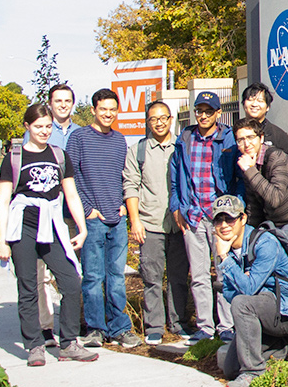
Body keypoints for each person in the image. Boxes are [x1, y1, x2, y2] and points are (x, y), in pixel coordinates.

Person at [0, 103, 97, 365]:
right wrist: (3, 240)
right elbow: (3, 200)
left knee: (72, 282)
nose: (43, 131)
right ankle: (35, 346)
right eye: (38, 126)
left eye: (48, 127)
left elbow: (71, 194)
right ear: (27, 127)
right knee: (28, 286)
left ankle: (69, 343)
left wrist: (82, 227)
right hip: (23, 228)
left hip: (52, 226)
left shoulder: (59, 156)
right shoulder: (14, 158)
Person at [210, 195, 288, 387]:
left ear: (243, 219)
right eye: (218, 219)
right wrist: (243, 278)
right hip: (261, 312)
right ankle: (283, 346)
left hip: (286, 312)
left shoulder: (264, 242)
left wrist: (226, 260)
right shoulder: (227, 247)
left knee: (243, 303)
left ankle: (254, 372)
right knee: (230, 369)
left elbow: (245, 291)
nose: (224, 225)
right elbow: (230, 292)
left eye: (229, 219)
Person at [67, 88, 140, 348]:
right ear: (94, 110)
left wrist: (123, 206)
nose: (108, 114)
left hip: (117, 219)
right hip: (92, 220)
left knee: (116, 276)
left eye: (112, 109)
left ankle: (119, 328)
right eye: (103, 109)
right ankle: (95, 329)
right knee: (93, 276)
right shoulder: (79, 138)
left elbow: (125, 175)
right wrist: (87, 210)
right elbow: (71, 177)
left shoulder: (120, 140)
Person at [169, 90, 244, 342]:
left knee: (224, 272)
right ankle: (205, 327)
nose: (202, 115)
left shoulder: (228, 138)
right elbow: (175, 174)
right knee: (199, 275)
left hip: (220, 217)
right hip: (193, 215)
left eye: (208, 111)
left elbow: (239, 177)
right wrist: (176, 206)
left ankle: (226, 326)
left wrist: (237, 207)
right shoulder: (186, 137)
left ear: (218, 113)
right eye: (199, 111)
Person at [124, 101, 192, 345]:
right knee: (152, 277)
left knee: (178, 276)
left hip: (179, 223)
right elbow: (130, 186)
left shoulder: (183, 146)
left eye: (164, 117)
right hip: (150, 224)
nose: (160, 122)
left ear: (171, 119)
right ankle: (154, 326)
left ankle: (179, 322)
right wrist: (135, 221)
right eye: (154, 118)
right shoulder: (138, 150)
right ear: (147, 122)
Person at [21, 83, 80, 347]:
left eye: (67, 100)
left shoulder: (80, 133)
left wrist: (82, 220)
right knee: (40, 276)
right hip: (38, 220)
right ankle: (45, 329)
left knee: (72, 274)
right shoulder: (36, 134)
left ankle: (73, 330)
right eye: (58, 100)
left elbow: (74, 182)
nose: (63, 105)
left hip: (68, 214)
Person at [235, 118, 288, 233]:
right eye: (240, 140)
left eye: (250, 137)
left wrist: (250, 170)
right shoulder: (248, 164)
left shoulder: (276, 157)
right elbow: (253, 207)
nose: (246, 144)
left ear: (261, 138)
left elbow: (275, 199)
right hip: (271, 224)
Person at [241, 82, 288, 155]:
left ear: (267, 107)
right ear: (243, 104)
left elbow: (286, 164)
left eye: (260, 101)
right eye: (250, 100)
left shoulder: (279, 136)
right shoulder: (234, 133)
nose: (254, 104)